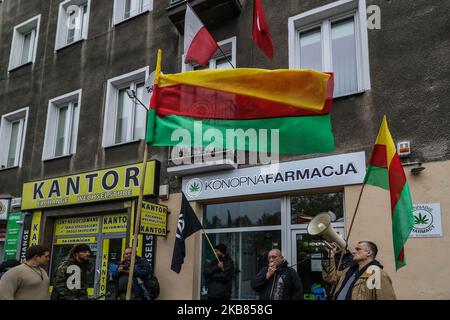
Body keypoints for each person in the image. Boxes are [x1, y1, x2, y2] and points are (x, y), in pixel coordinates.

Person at [322, 241, 397, 300]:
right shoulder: (349, 270)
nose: (353, 252)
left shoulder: (377, 274)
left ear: (369, 253)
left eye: (358, 249)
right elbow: (331, 278)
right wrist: (330, 256)